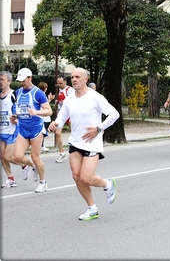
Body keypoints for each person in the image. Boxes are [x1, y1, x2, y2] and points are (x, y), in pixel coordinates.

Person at [48, 67, 119, 221]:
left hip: (92, 143)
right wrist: (55, 124)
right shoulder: (69, 99)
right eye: (72, 77)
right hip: (75, 142)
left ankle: (107, 184)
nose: (74, 79)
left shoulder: (95, 97)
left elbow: (114, 114)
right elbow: (61, 118)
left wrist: (99, 128)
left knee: (86, 177)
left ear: (85, 79)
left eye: (78, 77)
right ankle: (92, 208)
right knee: (76, 176)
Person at [11, 68, 53, 193]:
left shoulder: (38, 93)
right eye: (20, 81)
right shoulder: (18, 93)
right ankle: (32, 166)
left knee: (36, 157)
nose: (21, 83)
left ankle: (43, 182)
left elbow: (49, 110)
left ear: (30, 78)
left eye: (23, 80)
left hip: (36, 129)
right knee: (17, 156)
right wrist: (14, 116)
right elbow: (18, 109)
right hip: (22, 128)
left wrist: (36, 112)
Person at [0, 71, 27, 188]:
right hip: (2, 130)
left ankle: (26, 164)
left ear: (9, 81)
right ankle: (11, 178)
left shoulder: (14, 94)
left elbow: (21, 108)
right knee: (2, 156)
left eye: (3, 80)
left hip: (12, 129)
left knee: (9, 157)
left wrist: (16, 117)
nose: (0, 82)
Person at [55, 75, 75, 162]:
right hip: (62, 115)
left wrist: (63, 102)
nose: (59, 85)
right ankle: (62, 153)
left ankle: (76, 151)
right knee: (57, 133)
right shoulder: (59, 90)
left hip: (70, 114)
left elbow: (72, 101)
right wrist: (57, 102)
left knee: (74, 133)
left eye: (61, 83)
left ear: (65, 82)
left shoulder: (70, 90)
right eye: (58, 83)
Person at [38, 82, 54, 152]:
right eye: (46, 87)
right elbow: (44, 106)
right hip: (43, 116)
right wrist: (49, 100)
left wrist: (49, 100)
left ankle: (42, 145)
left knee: (42, 132)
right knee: (42, 132)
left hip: (42, 116)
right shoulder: (42, 94)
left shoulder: (40, 94)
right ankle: (42, 146)